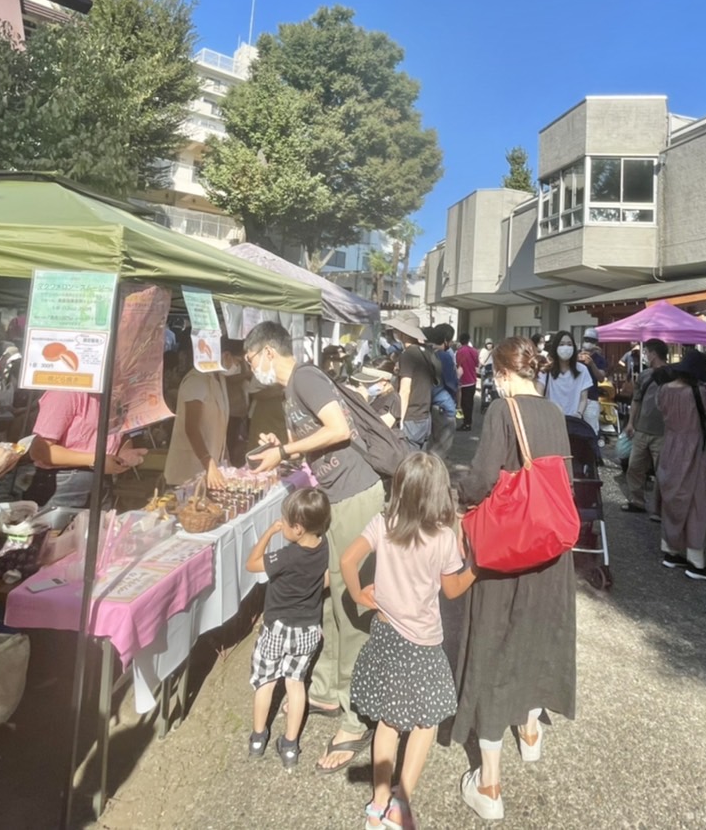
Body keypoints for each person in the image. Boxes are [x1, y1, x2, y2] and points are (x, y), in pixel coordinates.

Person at [244, 322, 386, 774]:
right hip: (338, 496)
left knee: (351, 601)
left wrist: (285, 448)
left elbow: (338, 428)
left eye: (251, 361)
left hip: (355, 494)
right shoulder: (293, 390)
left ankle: (356, 713)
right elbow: (317, 439)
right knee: (329, 602)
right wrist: (283, 448)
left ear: (268, 352)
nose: (253, 371)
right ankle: (324, 688)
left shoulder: (304, 377)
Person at [453, 336, 576, 822]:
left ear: (503, 373)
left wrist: (457, 493)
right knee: (536, 636)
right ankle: (529, 733)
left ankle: (489, 784)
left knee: (495, 644)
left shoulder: (503, 412)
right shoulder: (553, 413)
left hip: (509, 550)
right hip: (550, 545)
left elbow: (483, 478)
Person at [342, 452, 477, 830]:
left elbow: (348, 561)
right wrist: (477, 569)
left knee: (388, 721)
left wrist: (357, 595)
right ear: (439, 494)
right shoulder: (443, 539)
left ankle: (377, 803)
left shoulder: (383, 523)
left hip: (385, 634)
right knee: (424, 722)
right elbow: (451, 590)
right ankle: (400, 803)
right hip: (422, 643)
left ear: (399, 488)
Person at [244, 487, 332, 770]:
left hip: (277, 627)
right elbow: (326, 580)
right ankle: (290, 746)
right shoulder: (324, 544)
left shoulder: (288, 555)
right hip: (307, 629)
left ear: (297, 528)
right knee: (295, 684)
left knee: (266, 681)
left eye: (284, 521)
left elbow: (251, 564)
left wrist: (269, 533)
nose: (281, 523)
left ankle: (258, 738)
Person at [656, 351, 706, 581]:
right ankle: (696, 561)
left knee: (672, 499)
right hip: (693, 450)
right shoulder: (698, 392)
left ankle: (670, 551)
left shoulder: (663, 389)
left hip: (670, 447)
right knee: (697, 504)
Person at [26, 391, 147, 508]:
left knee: (99, 527)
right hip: (65, 480)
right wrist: (97, 460)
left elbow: (120, 433)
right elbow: (39, 451)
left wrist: (125, 452)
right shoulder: (66, 392)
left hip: (103, 479)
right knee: (61, 527)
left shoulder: (116, 395)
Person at [164, 344, 239, 490]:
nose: (237, 366)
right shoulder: (196, 380)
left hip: (210, 465)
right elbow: (191, 428)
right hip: (189, 469)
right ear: (227, 355)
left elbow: (219, 426)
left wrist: (224, 459)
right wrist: (209, 463)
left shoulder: (218, 378)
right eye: (238, 361)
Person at [622, 339, 669, 510]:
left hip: (663, 433)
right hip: (642, 430)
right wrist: (631, 423)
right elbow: (636, 400)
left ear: (654, 354)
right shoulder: (644, 375)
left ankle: (660, 508)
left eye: (647, 352)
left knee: (662, 472)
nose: (645, 355)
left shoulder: (672, 375)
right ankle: (637, 501)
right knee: (634, 467)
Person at [391, 313, 436, 451]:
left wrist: (400, 420)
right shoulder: (427, 352)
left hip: (411, 416)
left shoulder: (408, 354)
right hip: (425, 415)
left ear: (403, 333)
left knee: (409, 464)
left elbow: (405, 390)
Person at [538, 331, 594, 422]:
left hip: (573, 421)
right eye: (562, 344)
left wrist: (579, 414)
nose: (566, 347)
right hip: (550, 420)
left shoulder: (582, 370)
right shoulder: (546, 370)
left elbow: (583, 398)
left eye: (569, 344)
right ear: (555, 347)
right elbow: (539, 395)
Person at [427, 324, 459, 457]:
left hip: (428, 404)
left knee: (430, 444)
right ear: (446, 340)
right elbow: (452, 384)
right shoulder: (444, 356)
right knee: (441, 449)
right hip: (444, 405)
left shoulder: (424, 353)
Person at [455, 335, 480, 433]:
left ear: (460, 341)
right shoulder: (474, 351)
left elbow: (457, 365)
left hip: (463, 381)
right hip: (472, 380)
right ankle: (468, 422)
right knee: (470, 403)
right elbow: (477, 364)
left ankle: (466, 423)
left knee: (464, 404)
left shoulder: (459, 352)